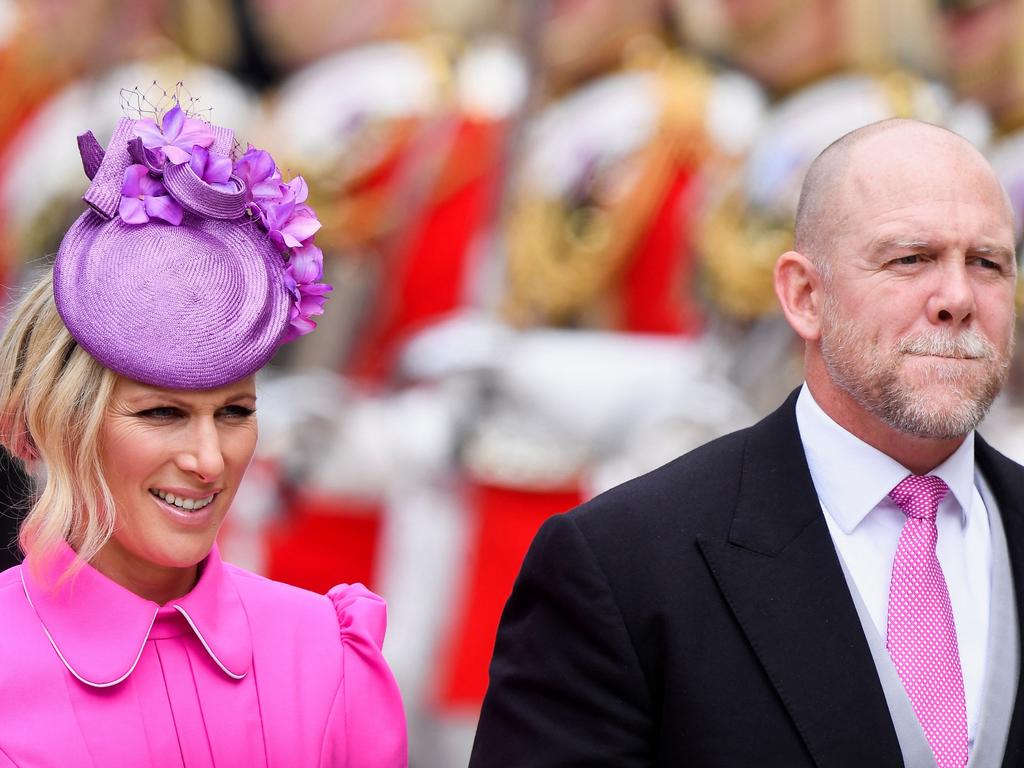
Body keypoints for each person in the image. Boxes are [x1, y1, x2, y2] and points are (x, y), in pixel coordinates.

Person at [470, 118, 1024, 767]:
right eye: (911, 259)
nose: (957, 298)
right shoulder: (624, 568)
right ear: (804, 296)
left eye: (987, 264)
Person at [0, 100, 407, 766]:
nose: (209, 460)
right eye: (162, 413)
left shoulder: (327, 654)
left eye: (235, 413)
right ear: (56, 416)